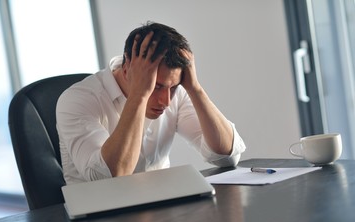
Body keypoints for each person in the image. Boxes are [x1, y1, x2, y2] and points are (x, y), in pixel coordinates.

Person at [56, 22, 246, 185]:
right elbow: (109, 177)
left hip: (161, 210)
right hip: (98, 221)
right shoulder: (76, 100)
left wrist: (194, 88)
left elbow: (226, 156)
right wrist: (139, 94)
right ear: (126, 70)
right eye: (156, 87)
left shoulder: (173, 91)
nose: (165, 101)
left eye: (173, 88)